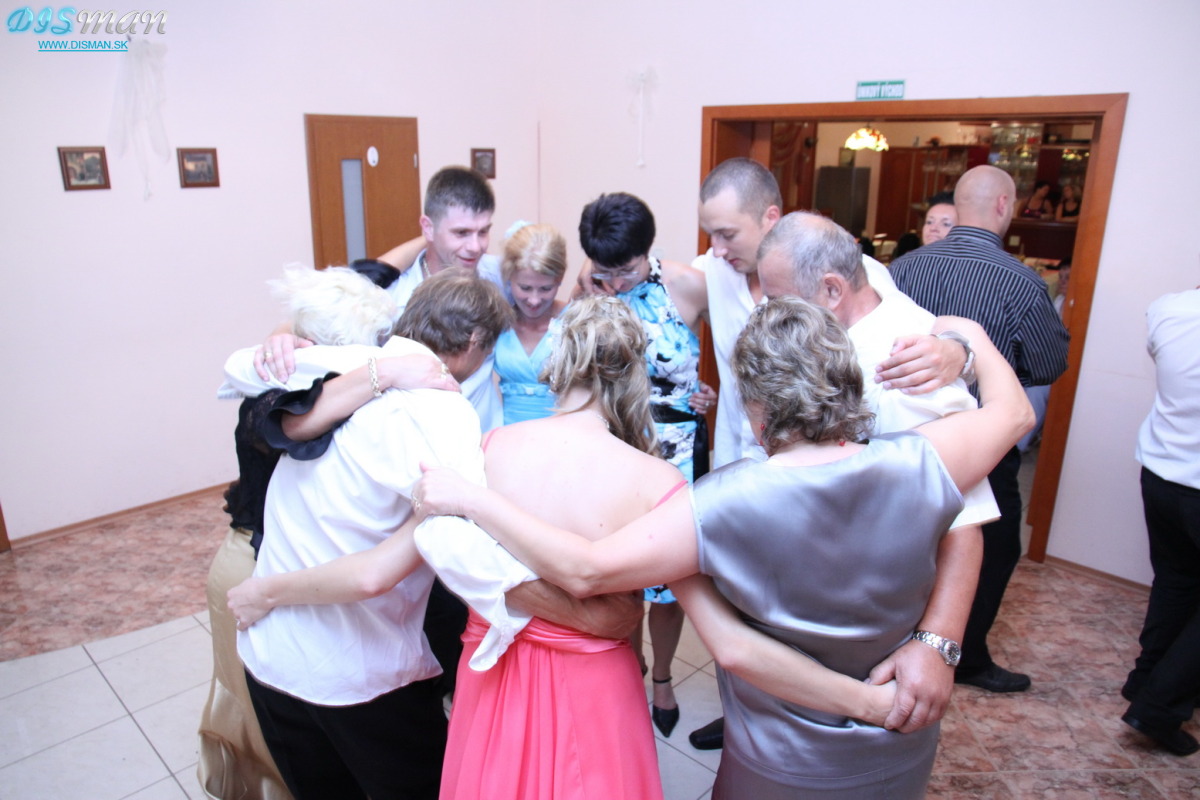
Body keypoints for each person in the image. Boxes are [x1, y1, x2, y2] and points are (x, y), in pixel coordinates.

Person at [414, 296, 1034, 799]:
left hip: (782, 762)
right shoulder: (924, 459)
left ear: (756, 411)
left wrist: (473, 500)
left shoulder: (720, 503)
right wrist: (969, 339)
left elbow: (588, 572)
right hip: (903, 746)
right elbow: (1014, 415)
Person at [689, 160, 981, 751]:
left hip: (861, 606)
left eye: (776, 299)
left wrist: (938, 642)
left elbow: (964, 518)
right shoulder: (834, 315)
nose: (768, 315)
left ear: (830, 290)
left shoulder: (907, 359)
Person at [223, 268, 513, 800]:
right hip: (357, 673)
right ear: (475, 342)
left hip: (270, 657)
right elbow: (441, 552)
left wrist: (280, 338)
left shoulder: (333, 366)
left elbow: (237, 369)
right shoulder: (442, 409)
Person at [891, 164, 1071, 693]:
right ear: (1003, 206)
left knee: (909, 537)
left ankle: (899, 636)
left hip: (904, 433)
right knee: (992, 545)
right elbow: (1048, 364)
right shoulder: (1022, 281)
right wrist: (994, 369)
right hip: (982, 439)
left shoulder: (902, 269)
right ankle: (962, 655)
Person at [578, 191, 710, 736]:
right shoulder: (592, 286)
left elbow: (732, 351)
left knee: (670, 579)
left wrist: (712, 393)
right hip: (615, 444)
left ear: (647, 252)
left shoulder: (688, 285)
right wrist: (589, 287)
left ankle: (662, 676)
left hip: (676, 446)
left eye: (626, 271)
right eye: (604, 271)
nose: (616, 283)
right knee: (623, 574)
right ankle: (628, 671)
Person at [1121, 285, 1200, 757]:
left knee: (1176, 583)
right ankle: (1158, 707)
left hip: (1162, 471)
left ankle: (1145, 680)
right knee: (1180, 585)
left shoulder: (1170, 309)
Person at [493, 221, 568, 424]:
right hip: (506, 433)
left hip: (563, 434)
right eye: (525, 288)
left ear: (560, 278)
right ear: (509, 278)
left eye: (545, 289)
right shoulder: (497, 321)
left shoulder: (574, 321)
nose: (534, 300)